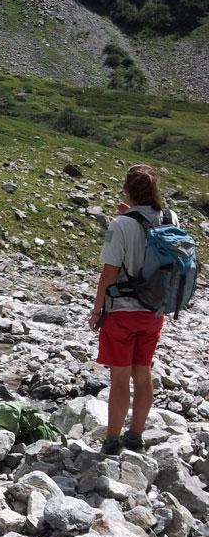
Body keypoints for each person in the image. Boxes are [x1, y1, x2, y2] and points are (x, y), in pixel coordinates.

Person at [88, 164, 178, 455]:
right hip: (154, 311)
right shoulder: (169, 217)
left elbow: (109, 274)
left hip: (122, 313)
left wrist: (97, 309)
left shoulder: (121, 224)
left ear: (127, 190)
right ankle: (135, 437)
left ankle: (112, 441)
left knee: (119, 379)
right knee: (143, 373)